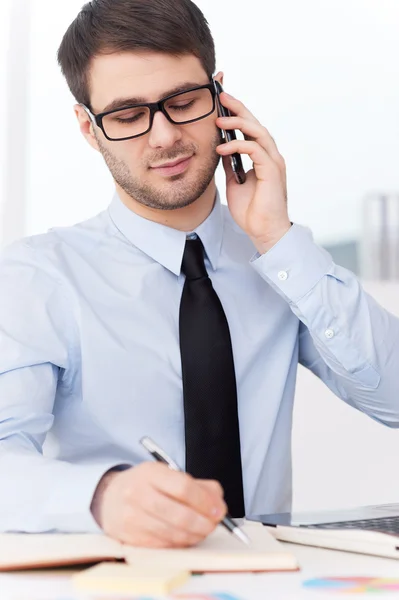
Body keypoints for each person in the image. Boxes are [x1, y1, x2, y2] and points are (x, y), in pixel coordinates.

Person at [0, 0, 398, 550]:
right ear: (89, 130)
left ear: (220, 98)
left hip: (275, 583)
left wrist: (278, 240)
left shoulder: (280, 261)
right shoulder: (38, 278)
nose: (163, 137)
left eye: (183, 102)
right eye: (126, 115)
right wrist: (100, 495)